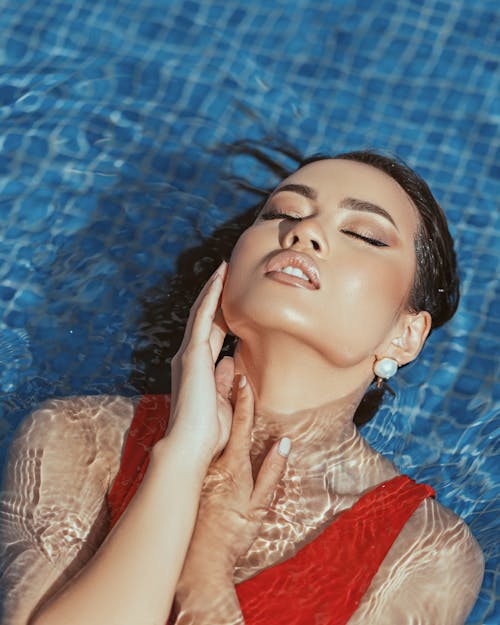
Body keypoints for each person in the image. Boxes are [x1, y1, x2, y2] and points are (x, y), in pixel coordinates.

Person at [0, 149, 484, 625]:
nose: (304, 231)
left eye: (363, 234)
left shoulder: (424, 550)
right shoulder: (81, 437)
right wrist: (184, 456)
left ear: (405, 336)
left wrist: (205, 572)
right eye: (283, 212)